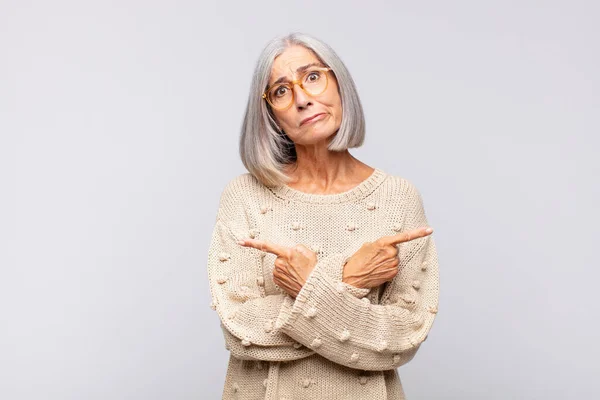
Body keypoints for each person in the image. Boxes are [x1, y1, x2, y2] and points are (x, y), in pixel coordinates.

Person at [207, 32, 440, 400]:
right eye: (281, 91)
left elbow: (404, 335)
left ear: (339, 84)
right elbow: (242, 329)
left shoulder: (398, 198)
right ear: (271, 115)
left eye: (313, 76)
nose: (302, 99)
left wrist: (307, 285)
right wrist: (348, 277)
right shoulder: (245, 196)